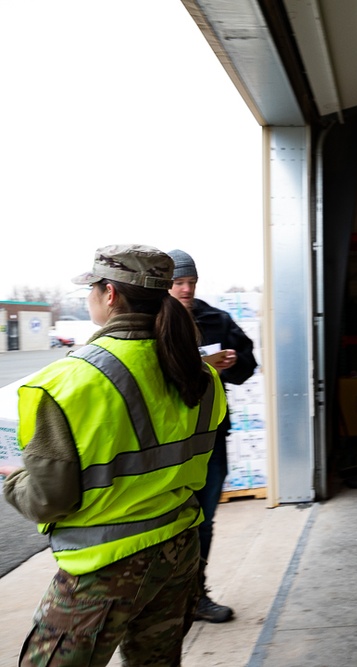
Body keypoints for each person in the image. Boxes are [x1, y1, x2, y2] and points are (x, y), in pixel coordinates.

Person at [0, 244, 227, 666]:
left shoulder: (69, 381)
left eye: (92, 289)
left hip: (108, 566)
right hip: (179, 554)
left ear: (110, 294)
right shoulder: (202, 376)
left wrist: (13, 479)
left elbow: (49, 498)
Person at [167, 248, 258, 622]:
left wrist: (234, 365)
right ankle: (164, 601)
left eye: (191, 282)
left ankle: (196, 596)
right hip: (166, 443)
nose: (186, 290)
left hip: (210, 438)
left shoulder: (216, 320)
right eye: (178, 283)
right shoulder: (150, 323)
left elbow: (248, 363)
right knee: (164, 524)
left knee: (203, 520)